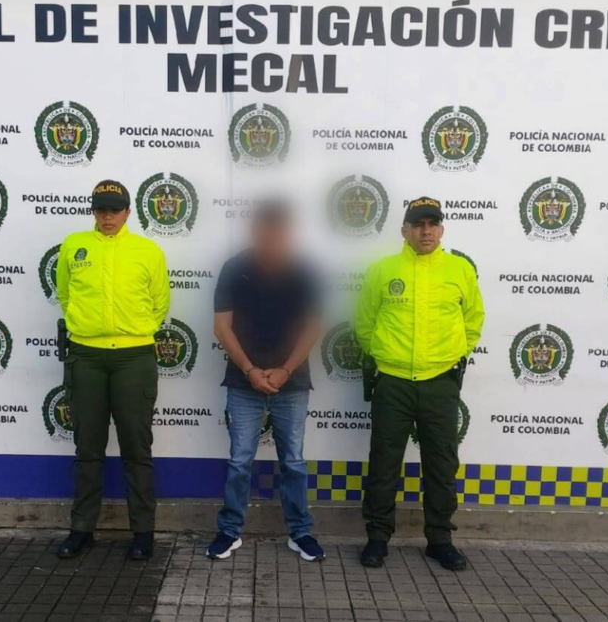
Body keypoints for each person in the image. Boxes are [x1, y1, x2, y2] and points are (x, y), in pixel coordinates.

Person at [354, 196, 484, 570]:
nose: (426, 231)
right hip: (393, 382)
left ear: (441, 229)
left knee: (442, 465)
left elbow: (473, 320)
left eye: (432, 224)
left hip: (439, 383)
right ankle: (377, 538)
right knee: (384, 463)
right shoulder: (383, 269)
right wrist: (384, 354)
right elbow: (364, 322)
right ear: (405, 230)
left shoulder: (460, 269)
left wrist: (453, 355)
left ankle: (440, 541)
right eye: (418, 225)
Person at [54, 180, 170, 560]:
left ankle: (143, 533)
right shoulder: (73, 246)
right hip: (86, 356)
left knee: (137, 448)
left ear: (128, 212)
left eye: (115, 210)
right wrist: (89, 329)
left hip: (134, 357)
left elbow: (159, 303)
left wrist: (131, 332)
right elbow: (65, 295)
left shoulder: (148, 250)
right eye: (101, 209)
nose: (107, 217)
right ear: (93, 211)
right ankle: (81, 530)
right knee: (87, 448)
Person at [205, 201, 325, 562]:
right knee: (240, 461)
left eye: (278, 227)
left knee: (294, 462)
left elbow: (312, 328)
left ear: (288, 231)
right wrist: (250, 371)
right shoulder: (234, 268)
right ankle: (230, 531)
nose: (271, 234)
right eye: (265, 227)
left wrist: (285, 370)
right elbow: (221, 327)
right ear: (255, 229)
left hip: (293, 382)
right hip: (244, 382)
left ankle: (300, 532)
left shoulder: (305, 271)